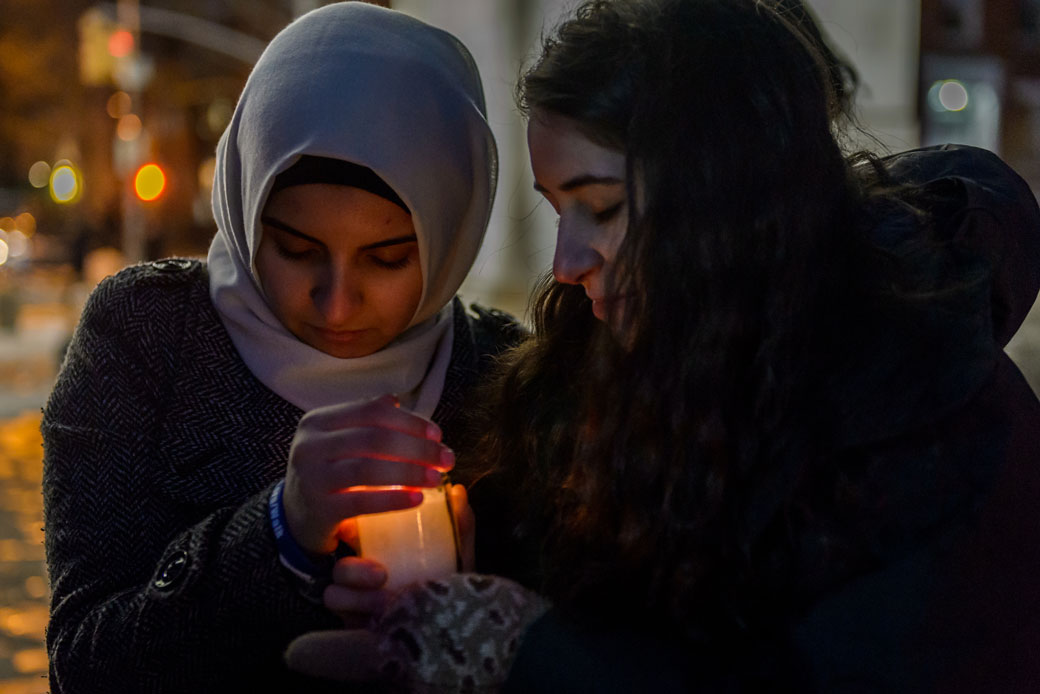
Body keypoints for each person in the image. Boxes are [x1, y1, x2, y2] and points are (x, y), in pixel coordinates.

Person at [286, 0, 1040, 691]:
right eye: (557, 209)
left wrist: (527, 657)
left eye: (604, 208)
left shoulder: (938, 417)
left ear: (725, 193)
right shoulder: (587, 366)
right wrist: (467, 572)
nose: (567, 264)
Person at [41, 3, 519, 691]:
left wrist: (477, 623)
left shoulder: (503, 379)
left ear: (453, 234)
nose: (336, 301)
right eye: (297, 249)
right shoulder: (148, 338)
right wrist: (279, 534)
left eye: (386, 259)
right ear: (245, 206)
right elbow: (84, 667)